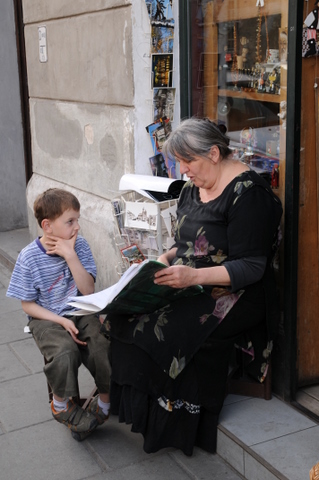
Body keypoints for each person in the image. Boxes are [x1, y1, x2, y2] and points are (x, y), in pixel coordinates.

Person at [105, 117, 282, 456]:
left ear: (214, 153)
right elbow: (184, 245)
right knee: (122, 316)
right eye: (180, 162)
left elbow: (251, 268)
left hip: (236, 293)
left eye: (189, 162)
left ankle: (174, 425)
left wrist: (193, 277)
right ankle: (136, 411)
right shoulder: (192, 188)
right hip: (191, 281)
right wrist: (161, 262)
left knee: (158, 330)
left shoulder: (249, 195)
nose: (183, 170)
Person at [6, 188, 111, 441]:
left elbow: (87, 289)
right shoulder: (29, 257)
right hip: (46, 319)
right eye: (70, 221)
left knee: (101, 346)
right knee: (65, 352)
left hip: (80, 309)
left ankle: (106, 403)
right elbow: (27, 305)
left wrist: (71, 255)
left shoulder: (80, 246)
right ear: (47, 225)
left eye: (78, 219)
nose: (77, 227)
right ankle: (61, 405)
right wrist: (61, 320)